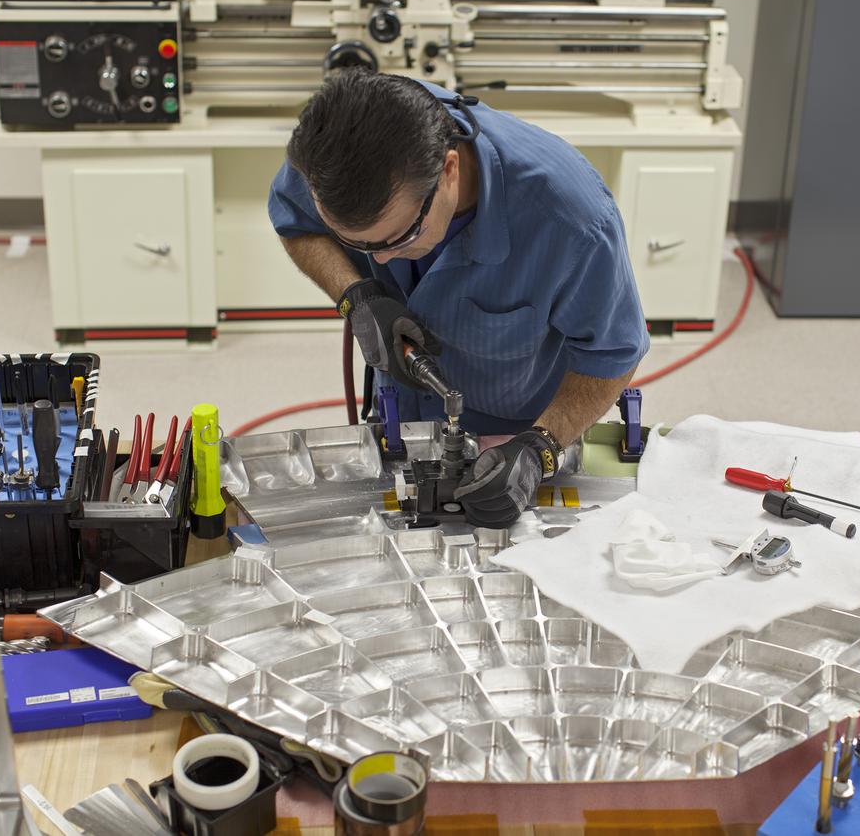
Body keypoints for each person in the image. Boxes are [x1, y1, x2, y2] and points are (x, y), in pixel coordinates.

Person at [268, 69, 650, 527]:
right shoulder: (334, 152)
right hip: (398, 410)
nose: (384, 262)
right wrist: (357, 294)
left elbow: (612, 355)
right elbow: (295, 223)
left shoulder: (572, 222)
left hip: (516, 428)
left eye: (400, 236)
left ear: (449, 170)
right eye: (361, 245)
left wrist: (539, 449)